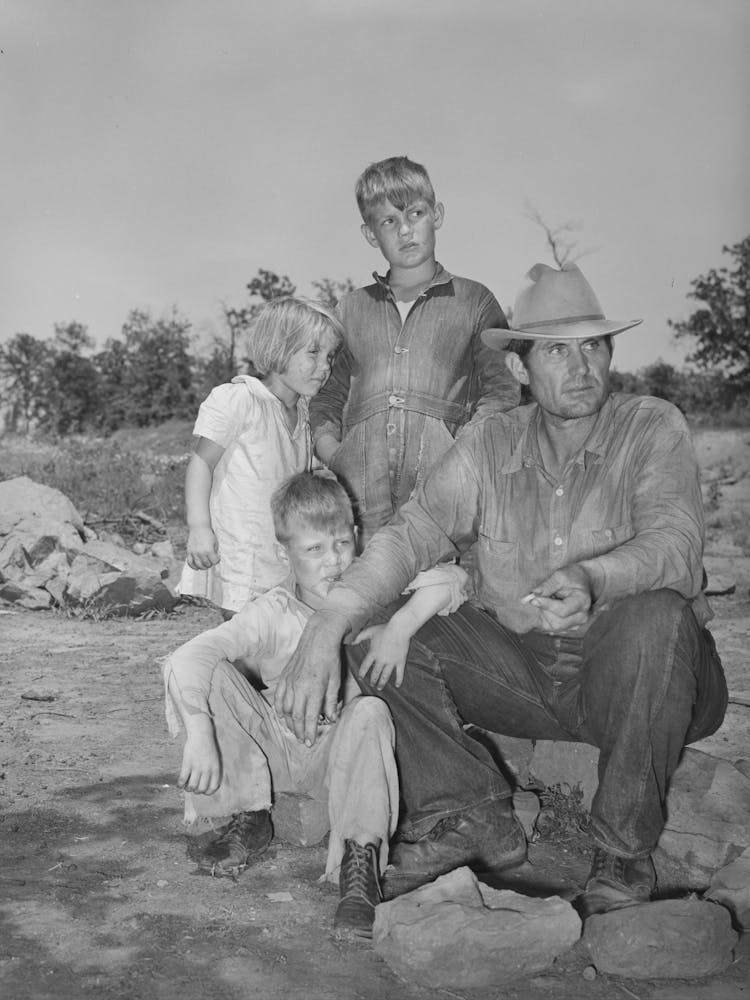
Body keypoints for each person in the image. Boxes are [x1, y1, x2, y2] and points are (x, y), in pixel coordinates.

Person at [274, 262, 728, 920]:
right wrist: (328, 622)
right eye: (556, 351)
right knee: (378, 628)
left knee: (656, 616)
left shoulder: (651, 426)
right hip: (526, 673)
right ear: (519, 367)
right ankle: (473, 814)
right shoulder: (490, 441)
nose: (581, 368)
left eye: (592, 347)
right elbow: (413, 532)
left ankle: (622, 850)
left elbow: (676, 543)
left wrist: (596, 577)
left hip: (644, 677)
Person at [162, 472, 469, 938]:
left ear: (357, 537)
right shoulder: (274, 609)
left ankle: (359, 865)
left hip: (339, 766)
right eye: (314, 550)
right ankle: (248, 816)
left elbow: (454, 578)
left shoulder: (370, 590)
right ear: (284, 552)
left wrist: (400, 627)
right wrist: (200, 734)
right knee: (215, 674)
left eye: (342, 543)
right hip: (277, 755)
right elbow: (187, 657)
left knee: (370, 712)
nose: (334, 561)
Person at [309, 154, 519, 547]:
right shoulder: (351, 308)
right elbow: (326, 396)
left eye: (415, 214)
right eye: (388, 221)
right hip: (361, 497)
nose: (405, 230)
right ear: (371, 234)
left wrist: (461, 454)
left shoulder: (474, 301)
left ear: (436, 215)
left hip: (442, 494)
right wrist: (335, 454)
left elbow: (502, 392)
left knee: (438, 579)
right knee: (367, 577)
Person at [177, 297, 343, 618]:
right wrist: (199, 528)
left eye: (330, 356)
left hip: (281, 551)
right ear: (279, 348)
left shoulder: (305, 414)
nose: (325, 367)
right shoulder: (240, 399)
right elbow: (201, 463)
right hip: (243, 553)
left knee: (279, 635)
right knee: (248, 635)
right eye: (313, 353)